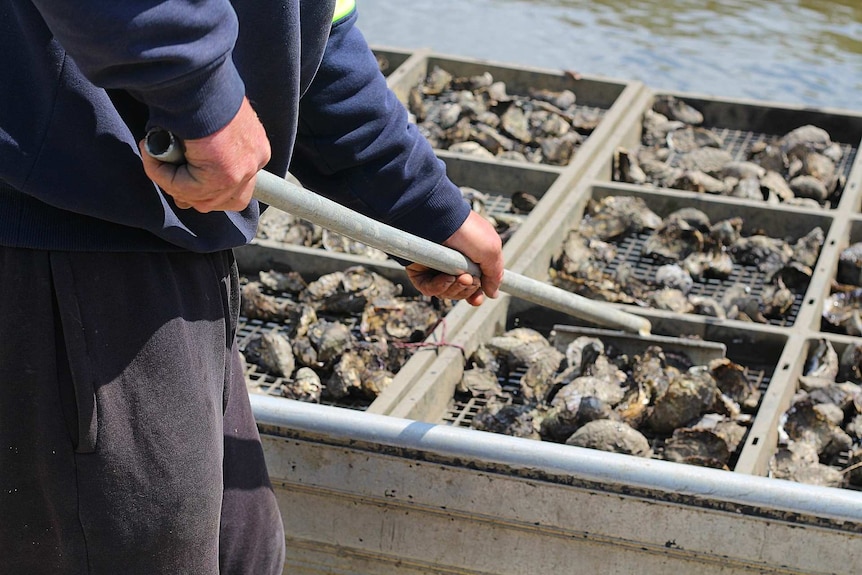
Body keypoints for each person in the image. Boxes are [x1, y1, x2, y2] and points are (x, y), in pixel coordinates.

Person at [0, 1, 504, 573]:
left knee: (245, 552)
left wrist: (421, 203)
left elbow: (309, 26)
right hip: (58, 234)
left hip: (179, 248)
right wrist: (200, 92)